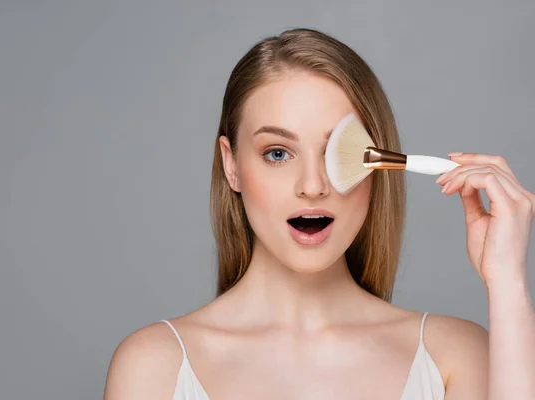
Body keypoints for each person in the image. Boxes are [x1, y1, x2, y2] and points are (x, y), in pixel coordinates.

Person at [104, 28, 535, 399]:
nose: (312, 185)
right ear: (231, 164)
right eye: (277, 153)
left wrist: (507, 284)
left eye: (337, 152)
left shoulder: (453, 355)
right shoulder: (154, 367)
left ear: (375, 165)